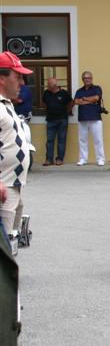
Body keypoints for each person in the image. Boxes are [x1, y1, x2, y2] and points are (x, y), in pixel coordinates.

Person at [0, 52, 33, 235]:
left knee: (10, 241)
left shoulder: (7, 103)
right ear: (2, 78)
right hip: (3, 186)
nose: (22, 82)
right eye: (17, 76)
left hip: (13, 184)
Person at [73, 70, 105, 166]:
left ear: (92, 78)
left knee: (98, 139)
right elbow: (76, 101)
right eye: (85, 78)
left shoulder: (97, 88)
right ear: (82, 79)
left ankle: (100, 159)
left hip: (95, 118)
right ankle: (83, 159)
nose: (87, 79)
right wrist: (90, 101)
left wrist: (84, 99)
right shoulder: (79, 91)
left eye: (89, 78)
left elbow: (96, 98)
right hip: (83, 118)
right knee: (82, 140)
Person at [42, 78, 73, 166]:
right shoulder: (46, 93)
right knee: (49, 140)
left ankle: (59, 159)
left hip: (62, 119)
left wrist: (67, 112)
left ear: (55, 85)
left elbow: (71, 102)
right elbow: (44, 103)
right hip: (50, 119)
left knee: (61, 140)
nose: (48, 87)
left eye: (49, 85)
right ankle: (49, 159)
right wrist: (48, 110)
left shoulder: (64, 93)